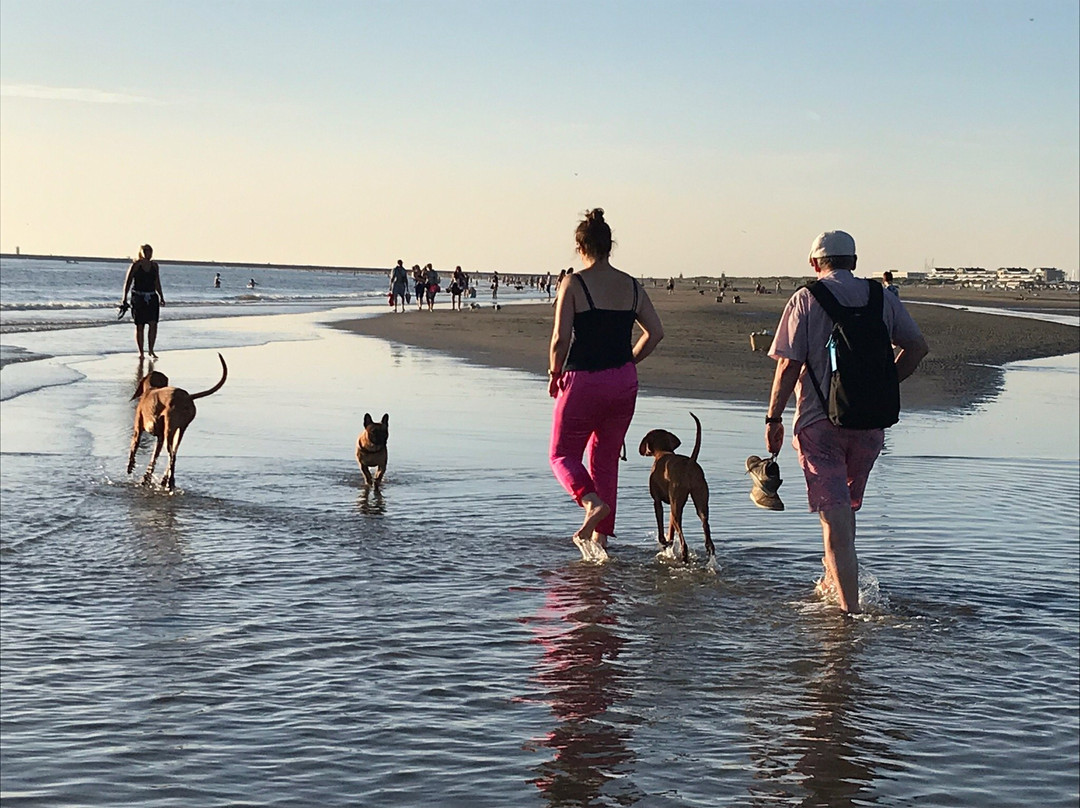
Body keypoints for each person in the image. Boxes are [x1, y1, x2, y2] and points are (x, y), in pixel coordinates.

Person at [764, 230, 928, 614]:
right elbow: (917, 347)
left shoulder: (805, 299)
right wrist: (885, 383)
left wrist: (773, 418)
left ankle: (848, 615)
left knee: (834, 520)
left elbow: (788, 366)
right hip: (869, 426)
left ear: (814, 263)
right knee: (844, 512)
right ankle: (830, 581)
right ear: (854, 262)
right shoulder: (882, 297)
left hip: (819, 425)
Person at [548, 208, 664, 561]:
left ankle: (590, 501)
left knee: (562, 454)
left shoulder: (573, 283)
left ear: (580, 247)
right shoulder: (631, 286)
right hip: (623, 382)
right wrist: (629, 361)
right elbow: (655, 333)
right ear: (609, 245)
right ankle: (600, 543)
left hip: (583, 380)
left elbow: (560, 339)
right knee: (606, 460)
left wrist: (554, 373)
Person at [120, 244, 165, 360]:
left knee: (153, 324)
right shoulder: (136, 265)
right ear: (141, 252)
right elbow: (128, 282)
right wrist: (124, 298)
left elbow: (157, 282)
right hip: (138, 297)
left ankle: (151, 350)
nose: (148, 253)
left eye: (150, 251)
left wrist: (161, 296)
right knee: (140, 325)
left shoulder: (154, 266)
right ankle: (141, 352)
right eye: (145, 251)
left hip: (152, 297)